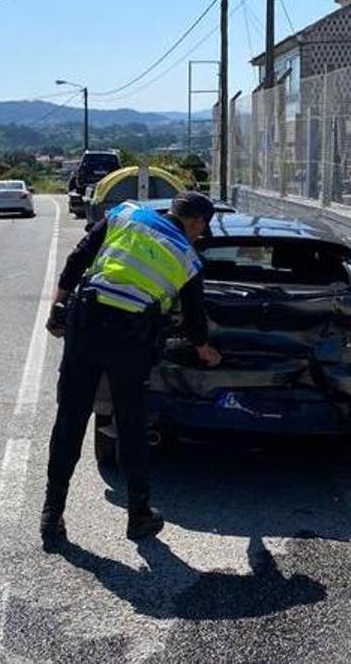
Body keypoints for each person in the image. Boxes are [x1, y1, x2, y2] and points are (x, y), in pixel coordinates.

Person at [40, 191, 222, 549]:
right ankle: (138, 516)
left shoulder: (126, 215)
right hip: (131, 341)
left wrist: (57, 306)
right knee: (131, 427)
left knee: (70, 420)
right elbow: (194, 319)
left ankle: (51, 514)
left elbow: (79, 258)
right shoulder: (187, 257)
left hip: (86, 325)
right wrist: (205, 351)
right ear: (197, 221)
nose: (200, 235)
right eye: (202, 228)